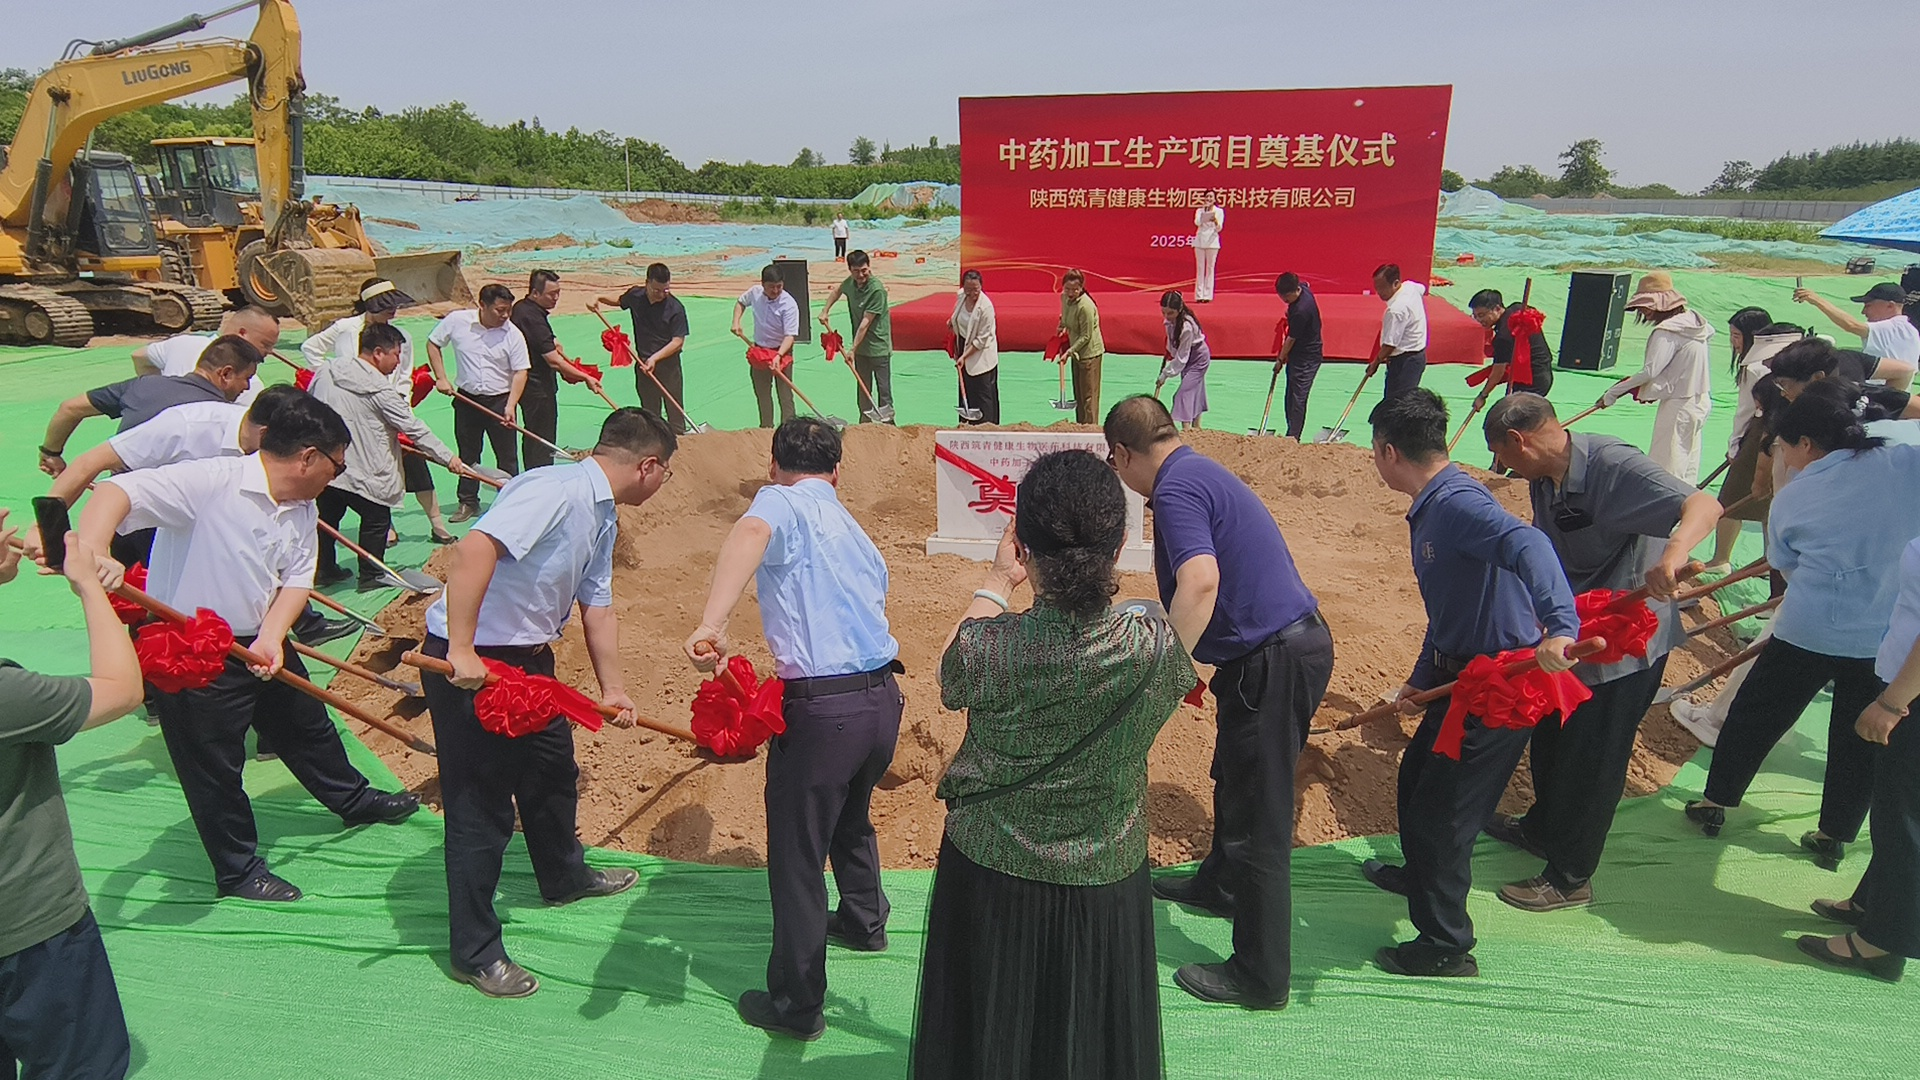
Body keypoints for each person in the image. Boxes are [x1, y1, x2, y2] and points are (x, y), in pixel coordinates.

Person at [76, 393, 420, 902]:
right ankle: (237, 869)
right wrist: (94, 549)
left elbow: (297, 579)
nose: (337, 477)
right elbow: (114, 492)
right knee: (213, 765)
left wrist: (273, 636)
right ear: (307, 457)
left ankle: (352, 799)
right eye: (337, 466)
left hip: (261, 638)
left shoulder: (302, 506)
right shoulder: (211, 481)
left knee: (307, 725)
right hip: (193, 648)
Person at [912, 454, 1190, 1078]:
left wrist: (996, 582)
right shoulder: (1154, 648)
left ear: (1024, 546)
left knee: (988, 1036)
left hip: (990, 872)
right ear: (1119, 545)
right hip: (1105, 874)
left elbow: (952, 673)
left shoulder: (988, 649)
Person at [421, 407, 675, 998]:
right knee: (480, 805)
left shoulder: (603, 515)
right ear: (648, 466)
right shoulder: (554, 490)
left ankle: (563, 875)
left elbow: (598, 606)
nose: (664, 484)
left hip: (531, 662)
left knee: (551, 770)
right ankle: (475, 952)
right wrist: (462, 648)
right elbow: (476, 549)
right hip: (476, 663)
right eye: (667, 473)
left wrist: (613, 689)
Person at [1104, 395, 1333, 1007]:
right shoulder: (1195, 471)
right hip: (1265, 655)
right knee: (1234, 776)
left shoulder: (1177, 489)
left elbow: (1201, 580)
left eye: (1115, 465)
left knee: (1261, 815)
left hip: (1274, 657)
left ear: (1122, 453)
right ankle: (1221, 885)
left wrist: (1164, 671)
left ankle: (1261, 974)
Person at [683, 417, 902, 1040]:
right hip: (881, 701)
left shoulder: (780, 501)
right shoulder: (852, 530)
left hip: (824, 712)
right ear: (837, 471)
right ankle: (864, 918)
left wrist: (713, 622)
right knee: (851, 814)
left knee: (798, 854)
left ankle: (797, 1003)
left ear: (773, 465)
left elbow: (752, 531)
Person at [1360, 389, 1580, 977]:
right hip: (1458, 673)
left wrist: (1561, 626)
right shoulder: (1436, 502)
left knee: (1446, 816)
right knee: (1416, 780)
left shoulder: (1456, 504)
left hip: (1498, 685)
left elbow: (1529, 542)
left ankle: (1446, 943)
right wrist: (1419, 678)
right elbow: (1451, 609)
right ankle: (1419, 876)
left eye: (1374, 451)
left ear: (1388, 452)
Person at [1478, 393, 1721, 910]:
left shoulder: (1612, 466)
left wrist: (1674, 554)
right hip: (1573, 634)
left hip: (1623, 645)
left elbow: (1705, 505)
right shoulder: (1548, 477)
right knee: (1552, 740)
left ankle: (1570, 877)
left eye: (1504, 456)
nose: (1506, 469)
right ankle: (1542, 829)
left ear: (1519, 441)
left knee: (1592, 760)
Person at [1686, 383, 1920, 867]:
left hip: (1808, 627)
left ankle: (1715, 802)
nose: (1784, 457)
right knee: (1858, 736)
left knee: (1755, 715)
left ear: (1807, 444)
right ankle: (1835, 832)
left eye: (1783, 446)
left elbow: (1784, 560)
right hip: (1879, 636)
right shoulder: (1904, 462)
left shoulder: (1798, 495)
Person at [1, 521, 145, 1080]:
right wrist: (87, 585)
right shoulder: (10, 696)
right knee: (79, 1065)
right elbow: (121, 690)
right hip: (28, 927)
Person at [1801, 532, 1920, 983]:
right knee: (1894, 811)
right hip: (1907, 684)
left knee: (1903, 817)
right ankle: (1872, 903)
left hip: (1912, 695)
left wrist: (1892, 703)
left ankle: (1883, 943)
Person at [308, 322, 466, 590]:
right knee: (376, 519)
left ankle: (324, 568)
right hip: (364, 467)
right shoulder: (379, 390)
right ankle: (371, 575)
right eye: (396, 355)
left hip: (327, 465)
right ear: (378, 353)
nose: (398, 362)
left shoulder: (325, 371)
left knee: (327, 518)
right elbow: (413, 428)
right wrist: (448, 457)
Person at [302, 278, 456, 545]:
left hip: (390, 408)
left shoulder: (401, 338)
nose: (392, 312)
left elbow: (404, 376)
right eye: (386, 307)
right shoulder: (345, 328)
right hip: (351, 412)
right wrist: (328, 372)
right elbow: (311, 348)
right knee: (355, 474)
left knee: (415, 465)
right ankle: (384, 528)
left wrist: (399, 403)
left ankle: (436, 524)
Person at [40, 334, 265, 479]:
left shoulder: (141, 385)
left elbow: (69, 408)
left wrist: (51, 453)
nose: (247, 387)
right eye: (246, 378)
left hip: (119, 505)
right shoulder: (223, 417)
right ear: (225, 374)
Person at [1703, 314, 1800, 572]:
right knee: (1773, 502)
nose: (1733, 343)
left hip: (1760, 433)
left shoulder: (1756, 367)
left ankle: (1721, 558)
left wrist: (1735, 445)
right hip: (1777, 431)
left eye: (1737, 336)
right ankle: (1770, 563)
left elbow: (1746, 411)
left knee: (1733, 496)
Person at [427, 284, 531, 522]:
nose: (505, 315)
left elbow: (520, 372)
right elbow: (433, 343)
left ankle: (509, 502)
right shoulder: (457, 321)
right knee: (468, 453)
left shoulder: (513, 334)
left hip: (500, 401)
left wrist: (511, 405)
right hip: (467, 400)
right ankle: (468, 501)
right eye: (500, 310)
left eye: (508, 310)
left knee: (507, 456)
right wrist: (441, 377)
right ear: (482, 305)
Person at [1598, 272, 1715, 483]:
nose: (1643, 311)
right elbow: (1674, 371)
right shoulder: (1695, 325)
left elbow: (1650, 371)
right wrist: (1645, 389)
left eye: (1646, 305)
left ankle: (1668, 503)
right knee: (1686, 463)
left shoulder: (1667, 331)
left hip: (1679, 405)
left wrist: (1613, 393)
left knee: (1666, 466)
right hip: (1699, 401)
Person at [512, 269, 603, 470]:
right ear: (535, 293)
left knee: (535, 435)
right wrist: (585, 377)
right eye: (551, 294)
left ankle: (536, 471)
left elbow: (548, 344)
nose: (556, 298)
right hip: (536, 387)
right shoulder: (531, 317)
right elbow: (553, 360)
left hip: (532, 384)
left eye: (558, 293)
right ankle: (541, 474)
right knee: (542, 437)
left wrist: (556, 346)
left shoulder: (523, 308)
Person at [595, 263, 690, 432]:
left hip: (668, 365)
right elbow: (620, 301)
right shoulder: (636, 295)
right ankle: (654, 438)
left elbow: (677, 342)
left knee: (674, 408)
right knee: (649, 410)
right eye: (657, 290)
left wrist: (655, 358)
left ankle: (679, 439)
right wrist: (599, 298)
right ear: (647, 283)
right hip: (643, 363)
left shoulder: (675, 308)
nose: (662, 294)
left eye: (666, 290)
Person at [130, 305, 278, 402]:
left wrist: (158, 394)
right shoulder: (247, 384)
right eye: (265, 344)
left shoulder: (182, 343)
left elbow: (139, 356)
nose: (269, 352)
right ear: (242, 334)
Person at [1794, 281, 1920, 391]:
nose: (1863, 312)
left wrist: (1816, 300)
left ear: (1890, 305)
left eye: (1868, 305)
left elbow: (1851, 325)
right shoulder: (1908, 330)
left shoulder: (1895, 327)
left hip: (1880, 397)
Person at [819, 250, 894, 423]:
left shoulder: (877, 290)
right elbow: (837, 291)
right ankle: (864, 425)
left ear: (869, 267)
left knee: (883, 391)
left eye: (864, 270)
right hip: (861, 350)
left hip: (878, 348)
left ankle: (889, 427)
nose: (860, 275)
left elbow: (865, 324)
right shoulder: (851, 282)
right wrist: (825, 310)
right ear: (850, 270)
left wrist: (852, 349)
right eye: (856, 271)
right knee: (863, 389)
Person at [733, 265, 800, 428]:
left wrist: (778, 356)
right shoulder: (755, 293)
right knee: (762, 393)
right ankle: (766, 428)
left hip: (781, 352)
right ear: (763, 284)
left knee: (785, 394)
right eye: (771, 287)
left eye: (779, 286)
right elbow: (741, 302)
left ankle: (788, 429)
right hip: (760, 351)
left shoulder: (789, 304)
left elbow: (790, 336)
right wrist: (736, 321)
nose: (775, 291)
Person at [1467, 288, 1554, 401]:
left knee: (1516, 410)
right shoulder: (1518, 308)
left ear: (1497, 309)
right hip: (1541, 373)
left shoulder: (1503, 337)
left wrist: (1482, 396)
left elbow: (1497, 373)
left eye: (1482, 315)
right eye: (1475, 316)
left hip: (1532, 380)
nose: (1478, 320)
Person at [1273, 273, 1324, 440]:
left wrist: (1280, 359)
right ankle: (1290, 429)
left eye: (1286, 298)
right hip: (1297, 356)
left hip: (1307, 358)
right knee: (1290, 395)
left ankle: (1294, 436)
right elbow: (1306, 284)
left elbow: (1291, 339)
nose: (1285, 301)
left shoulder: (1301, 311)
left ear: (1294, 291)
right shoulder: (1303, 289)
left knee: (1298, 398)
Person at [1369, 263, 1428, 400]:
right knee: (1402, 398)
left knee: (1397, 401)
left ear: (1395, 283)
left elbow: (1390, 344)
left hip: (1405, 361)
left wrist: (1375, 363)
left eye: (1382, 288)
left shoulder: (1396, 310)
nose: (1379, 293)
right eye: (1377, 288)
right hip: (1417, 356)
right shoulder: (1410, 286)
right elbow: (1422, 289)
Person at [948, 269, 999, 425]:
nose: (972, 293)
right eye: (968, 289)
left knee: (983, 392)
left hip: (980, 353)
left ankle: (987, 426)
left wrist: (964, 356)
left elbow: (981, 340)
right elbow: (956, 316)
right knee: (966, 387)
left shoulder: (986, 307)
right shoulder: (961, 296)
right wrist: (952, 323)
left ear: (981, 287)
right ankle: (965, 423)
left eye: (975, 289)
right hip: (963, 345)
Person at [1058, 269, 1106, 424]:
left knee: (1088, 396)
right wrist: (1061, 327)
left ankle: (1090, 428)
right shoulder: (1064, 298)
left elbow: (1086, 336)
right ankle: (1080, 426)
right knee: (1078, 393)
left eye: (1075, 289)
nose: (1071, 293)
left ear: (1081, 288)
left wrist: (1069, 352)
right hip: (1076, 352)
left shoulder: (1086, 306)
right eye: (1067, 289)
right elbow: (1065, 317)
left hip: (1089, 353)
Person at [1159, 292, 1211, 430]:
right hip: (1186, 357)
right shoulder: (1169, 321)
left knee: (1183, 393)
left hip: (1198, 359)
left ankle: (1186, 429)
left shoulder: (1187, 327)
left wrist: (1166, 374)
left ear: (1179, 309)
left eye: (1170, 313)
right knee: (1195, 389)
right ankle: (1197, 426)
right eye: (1164, 312)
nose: (1166, 316)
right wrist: (1170, 351)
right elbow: (1172, 343)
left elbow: (1182, 357)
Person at [1193, 192, 1224, 303]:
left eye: (1211, 197)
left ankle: (1207, 295)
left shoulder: (1219, 211)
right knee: (1200, 268)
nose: (1209, 198)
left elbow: (1219, 228)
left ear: (1214, 199)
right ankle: (1199, 295)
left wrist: (1214, 220)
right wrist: (1204, 215)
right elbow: (1197, 222)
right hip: (1200, 241)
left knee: (1210, 268)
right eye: (1207, 197)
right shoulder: (1199, 210)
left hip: (1212, 241)